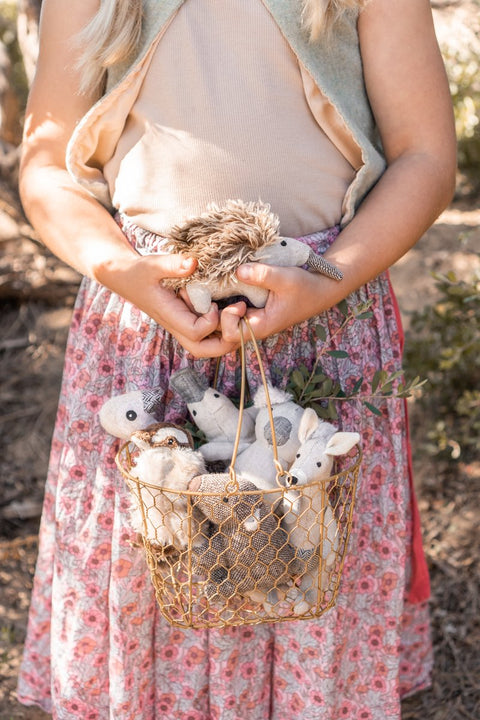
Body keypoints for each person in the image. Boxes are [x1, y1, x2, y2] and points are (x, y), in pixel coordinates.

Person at [17, 0, 456, 718]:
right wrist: (119, 269)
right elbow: (48, 167)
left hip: (322, 325)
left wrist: (328, 279)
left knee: (305, 557)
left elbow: (427, 156)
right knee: (156, 560)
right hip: (148, 333)